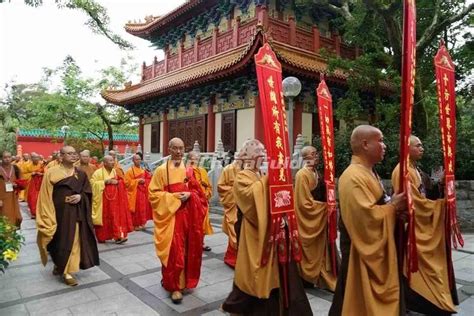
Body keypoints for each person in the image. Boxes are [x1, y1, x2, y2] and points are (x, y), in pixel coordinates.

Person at [222, 139, 312, 315]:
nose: (263, 155)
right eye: (258, 152)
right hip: (254, 232)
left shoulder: (259, 175)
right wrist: (270, 179)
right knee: (252, 271)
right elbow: (250, 199)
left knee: (268, 273)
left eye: (264, 151)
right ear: (247, 156)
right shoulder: (242, 176)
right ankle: (241, 305)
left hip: (269, 230)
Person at [329, 125, 407, 316]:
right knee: (350, 300)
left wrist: (396, 212)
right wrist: (393, 208)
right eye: (380, 140)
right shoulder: (353, 176)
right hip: (359, 251)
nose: (384, 145)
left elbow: (380, 204)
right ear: (365, 144)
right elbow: (366, 219)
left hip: (373, 251)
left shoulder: (368, 172)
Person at [391, 135, 458, 315]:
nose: (422, 148)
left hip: (422, 224)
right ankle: (420, 301)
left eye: (422, 145)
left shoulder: (416, 169)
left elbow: (426, 191)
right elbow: (416, 203)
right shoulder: (402, 170)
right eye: (418, 145)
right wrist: (440, 206)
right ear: (407, 148)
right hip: (412, 228)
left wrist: (442, 184)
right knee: (416, 266)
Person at [148, 137, 207, 304]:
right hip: (171, 217)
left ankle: (184, 281)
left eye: (181, 148)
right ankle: (174, 286)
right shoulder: (161, 170)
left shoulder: (190, 170)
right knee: (174, 252)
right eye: (175, 148)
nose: (179, 152)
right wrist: (173, 198)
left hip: (189, 216)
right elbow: (153, 195)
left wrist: (190, 195)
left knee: (189, 250)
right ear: (169, 149)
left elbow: (200, 195)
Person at [36, 146, 99, 286]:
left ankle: (67, 271)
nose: (73, 156)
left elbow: (87, 192)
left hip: (76, 213)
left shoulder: (80, 174)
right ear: (61, 155)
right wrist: (47, 214)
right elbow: (45, 196)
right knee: (58, 240)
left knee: (73, 239)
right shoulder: (51, 172)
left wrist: (80, 196)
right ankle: (59, 264)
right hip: (58, 213)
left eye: (74, 153)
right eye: (69, 153)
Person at [294, 146, 337, 291]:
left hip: (319, 218)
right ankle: (306, 277)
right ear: (305, 158)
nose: (316, 156)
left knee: (321, 250)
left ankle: (320, 275)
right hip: (309, 220)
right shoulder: (302, 175)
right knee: (308, 250)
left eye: (316, 153)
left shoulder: (316, 173)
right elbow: (303, 202)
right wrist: (325, 207)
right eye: (313, 154)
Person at [91, 155, 132, 244]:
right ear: (104, 163)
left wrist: (118, 182)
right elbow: (92, 184)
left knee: (115, 217)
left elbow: (122, 182)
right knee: (104, 218)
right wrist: (105, 182)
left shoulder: (114, 171)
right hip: (103, 201)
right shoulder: (97, 173)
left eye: (113, 160)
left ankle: (117, 236)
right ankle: (102, 236)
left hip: (114, 200)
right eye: (110, 161)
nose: (113, 162)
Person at [217, 150, 243, 268]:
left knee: (242, 231)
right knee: (234, 228)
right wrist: (236, 192)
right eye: (238, 157)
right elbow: (221, 187)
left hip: (244, 206)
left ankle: (239, 258)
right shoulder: (227, 169)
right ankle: (232, 259)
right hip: (233, 204)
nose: (239, 160)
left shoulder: (245, 170)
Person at [187, 151, 213, 251]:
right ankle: (190, 243)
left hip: (203, 202)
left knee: (203, 224)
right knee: (192, 224)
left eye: (197, 158)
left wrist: (206, 194)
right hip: (192, 203)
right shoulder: (186, 171)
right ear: (189, 159)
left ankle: (201, 243)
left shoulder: (203, 171)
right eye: (193, 158)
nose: (196, 160)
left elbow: (209, 186)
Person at [124, 154, 152, 230]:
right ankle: (135, 225)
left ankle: (142, 223)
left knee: (143, 208)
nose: (138, 161)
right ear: (133, 161)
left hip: (142, 192)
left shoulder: (143, 170)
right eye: (136, 159)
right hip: (135, 193)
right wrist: (137, 181)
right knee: (136, 209)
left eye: (139, 159)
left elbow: (149, 178)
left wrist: (146, 179)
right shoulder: (130, 171)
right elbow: (126, 183)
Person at [0, 151, 24, 227]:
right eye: (5, 157)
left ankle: (11, 235)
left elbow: (22, 183)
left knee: (17, 217)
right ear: (1, 158)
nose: (7, 159)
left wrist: (17, 185)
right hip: (2, 198)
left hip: (13, 197)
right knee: (5, 217)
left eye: (9, 157)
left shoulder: (15, 168)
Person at [26, 152, 44, 219]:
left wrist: (41, 174)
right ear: (31, 158)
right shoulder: (28, 166)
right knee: (32, 198)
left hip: (40, 183)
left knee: (40, 198)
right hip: (32, 184)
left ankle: (40, 212)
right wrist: (31, 174)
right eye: (34, 157)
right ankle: (33, 213)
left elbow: (46, 173)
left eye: (37, 157)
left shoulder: (42, 165)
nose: (35, 159)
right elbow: (24, 174)